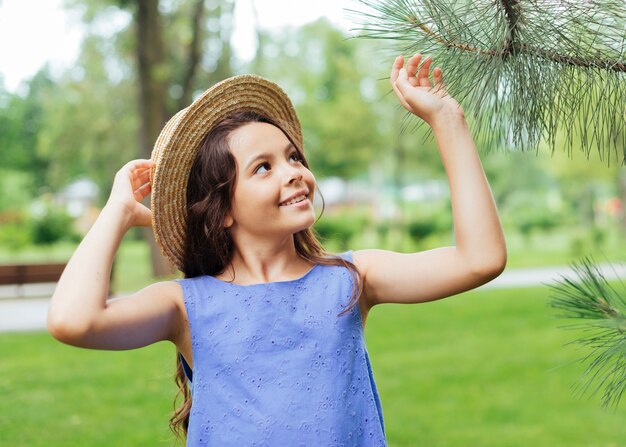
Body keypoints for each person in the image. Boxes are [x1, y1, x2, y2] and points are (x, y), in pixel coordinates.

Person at [48, 54, 507, 446]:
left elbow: (480, 259)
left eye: (292, 157)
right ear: (223, 209)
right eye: (263, 167)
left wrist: (448, 120)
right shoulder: (185, 306)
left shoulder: (350, 279)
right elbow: (73, 321)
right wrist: (118, 212)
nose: (293, 172)